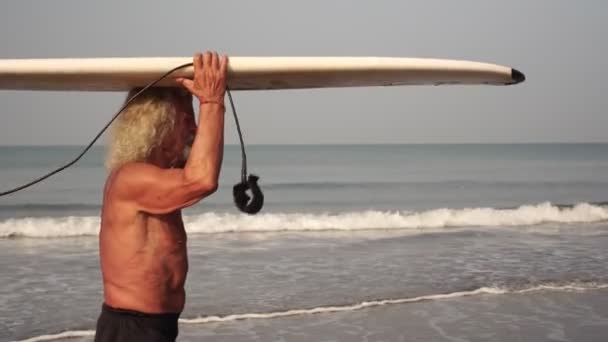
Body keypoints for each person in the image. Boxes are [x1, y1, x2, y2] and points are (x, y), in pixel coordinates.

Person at [94, 51, 228, 342]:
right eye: (186, 118)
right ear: (160, 123)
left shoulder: (159, 176)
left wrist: (208, 101)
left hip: (158, 326)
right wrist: (212, 102)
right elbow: (202, 179)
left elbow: (199, 163)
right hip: (131, 329)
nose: (194, 128)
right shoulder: (130, 178)